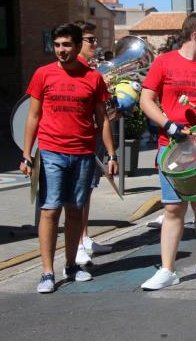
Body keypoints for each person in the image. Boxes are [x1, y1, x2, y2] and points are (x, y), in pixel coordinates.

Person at [20, 23, 118, 293]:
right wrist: (26, 155)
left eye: (66, 45)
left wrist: (111, 154)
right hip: (51, 151)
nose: (61, 50)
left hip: (84, 153)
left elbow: (102, 119)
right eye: (57, 45)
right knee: (50, 210)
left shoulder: (93, 77)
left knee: (75, 211)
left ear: (77, 46)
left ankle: (71, 265)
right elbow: (33, 117)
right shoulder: (43, 74)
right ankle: (47, 272)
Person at [139, 13, 196, 290]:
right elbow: (146, 99)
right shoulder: (164, 62)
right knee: (172, 208)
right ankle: (168, 270)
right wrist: (167, 124)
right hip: (172, 149)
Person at [71, 21, 113, 266]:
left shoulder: (94, 71)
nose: (95, 44)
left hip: (94, 134)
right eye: (90, 40)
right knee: (78, 191)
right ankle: (76, 244)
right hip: (81, 138)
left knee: (87, 189)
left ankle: (84, 238)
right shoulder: (79, 71)